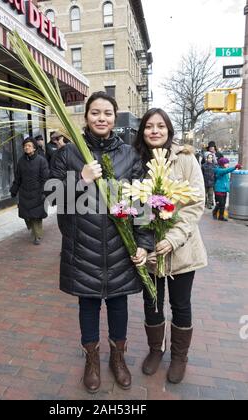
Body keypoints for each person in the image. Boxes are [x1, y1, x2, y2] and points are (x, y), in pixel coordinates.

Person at [49, 92, 154, 393]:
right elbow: (54, 198)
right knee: (89, 303)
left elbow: (142, 204)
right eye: (95, 113)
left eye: (107, 113)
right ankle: (92, 360)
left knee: (119, 303)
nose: (101, 118)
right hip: (83, 246)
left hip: (121, 247)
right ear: (86, 117)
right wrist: (80, 179)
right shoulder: (68, 154)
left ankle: (117, 359)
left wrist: (144, 244)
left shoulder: (129, 156)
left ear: (114, 117)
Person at [134, 108, 208, 384]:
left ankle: (179, 356)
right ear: (142, 131)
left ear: (168, 130)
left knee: (181, 303)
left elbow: (194, 204)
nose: (155, 131)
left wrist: (172, 238)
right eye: (149, 126)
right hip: (149, 249)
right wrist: (142, 241)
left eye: (160, 126)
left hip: (181, 248)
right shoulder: (135, 161)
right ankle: (156, 350)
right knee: (152, 302)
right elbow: (135, 205)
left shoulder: (185, 159)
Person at [10, 137, 49, 245]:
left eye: (29, 146)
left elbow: (45, 178)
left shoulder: (41, 160)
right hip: (24, 192)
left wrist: (44, 192)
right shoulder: (21, 161)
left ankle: (37, 236)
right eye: (25, 146)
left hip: (37, 192)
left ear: (34, 148)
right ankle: (34, 230)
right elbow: (18, 177)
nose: (26, 148)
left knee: (36, 216)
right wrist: (14, 190)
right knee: (27, 216)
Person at [212, 157, 242, 222]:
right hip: (219, 190)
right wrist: (234, 167)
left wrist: (228, 190)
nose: (228, 164)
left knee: (222, 204)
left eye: (228, 163)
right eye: (226, 163)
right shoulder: (219, 170)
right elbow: (226, 171)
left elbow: (226, 181)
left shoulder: (224, 171)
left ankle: (217, 214)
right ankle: (220, 216)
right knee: (221, 204)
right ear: (222, 164)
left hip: (224, 190)